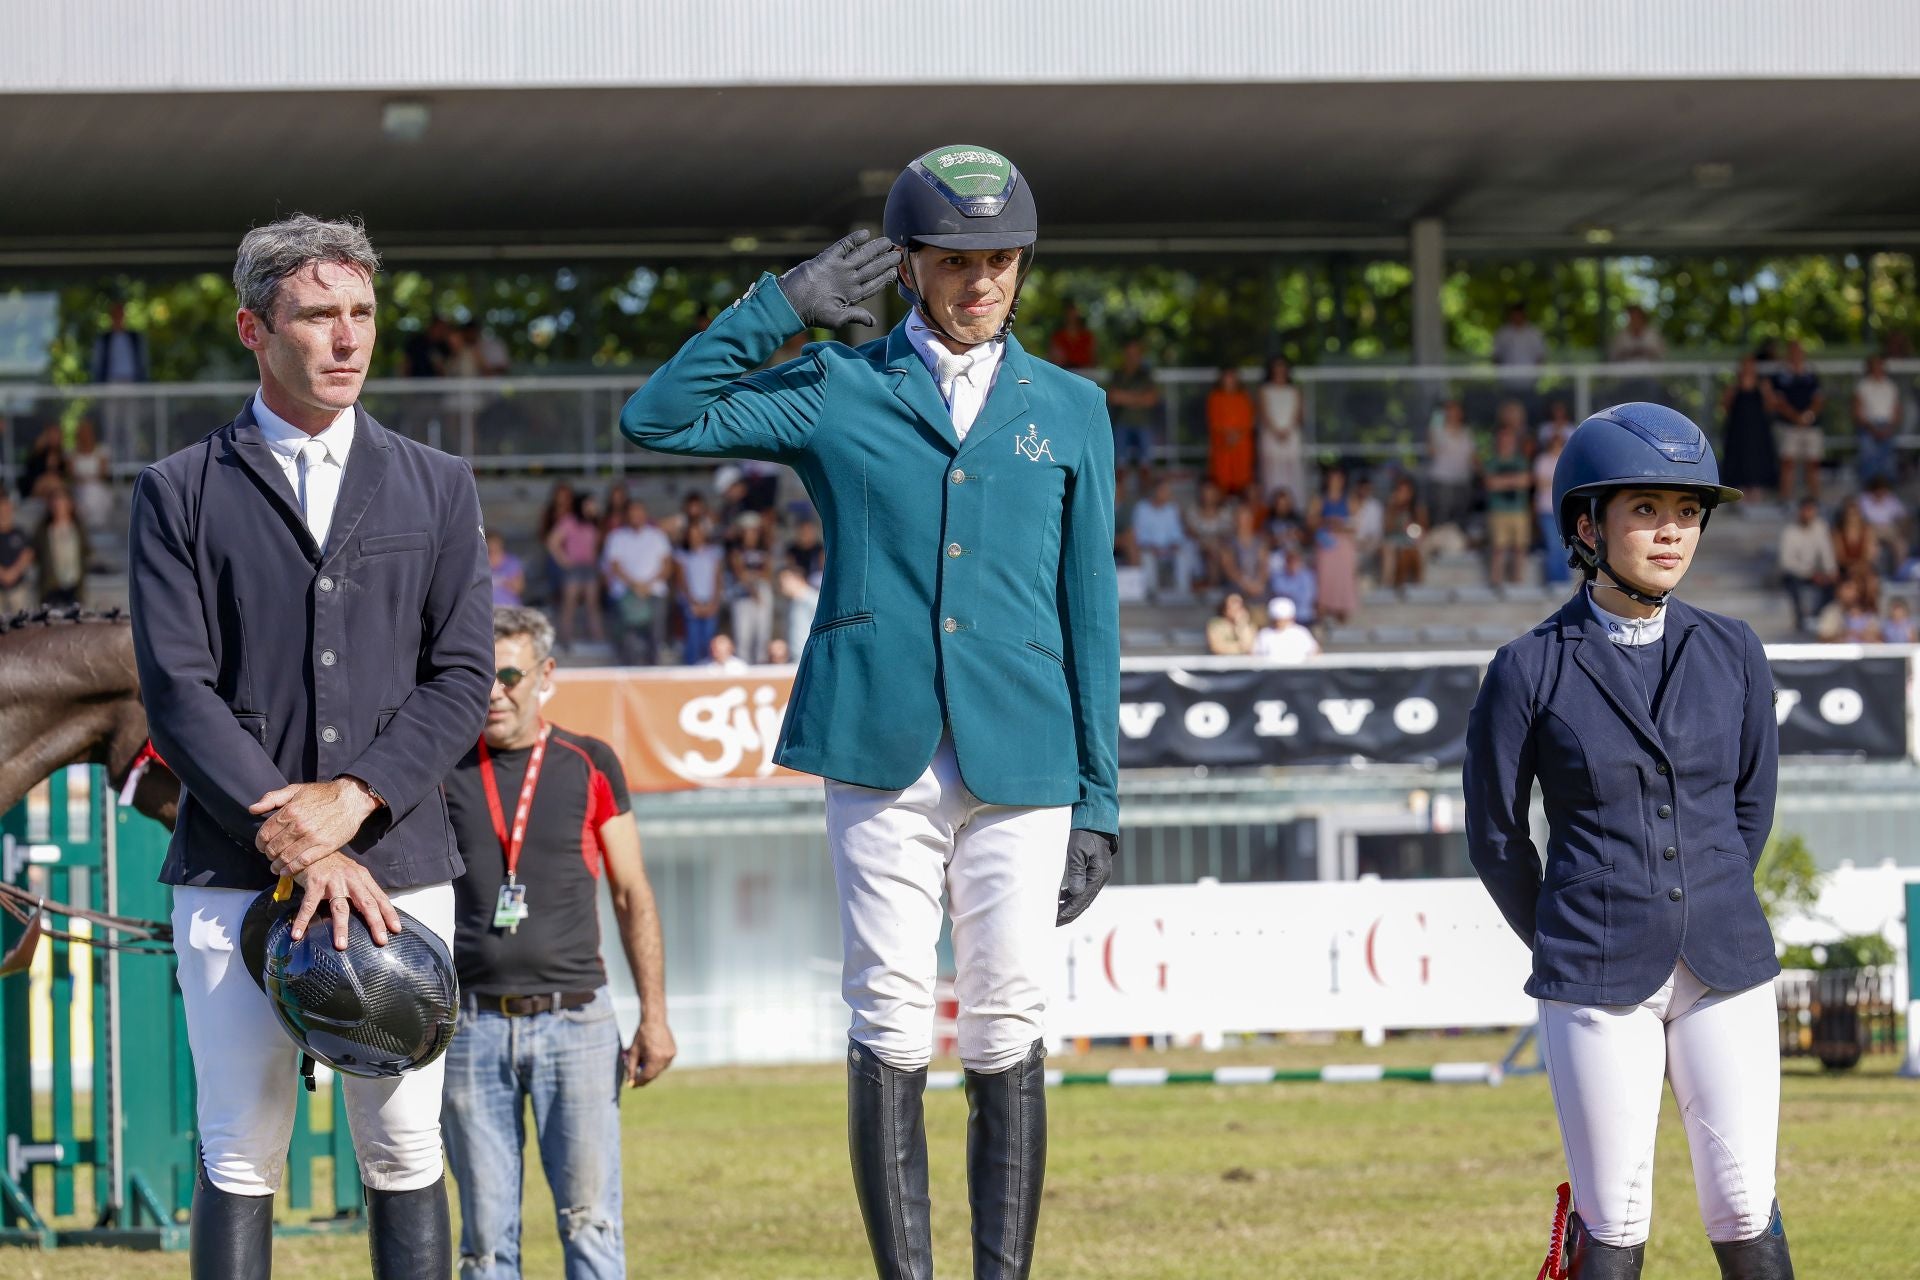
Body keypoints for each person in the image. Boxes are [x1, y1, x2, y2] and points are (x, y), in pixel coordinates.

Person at [618, 143, 1118, 1280]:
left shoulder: (1074, 409)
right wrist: (776, 309)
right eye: (954, 260)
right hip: (878, 741)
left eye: (1000, 259)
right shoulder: (838, 383)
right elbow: (657, 418)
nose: (980, 280)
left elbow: (1091, 613)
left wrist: (1101, 798)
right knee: (890, 1014)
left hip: (1025, 752)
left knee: (1008, 1020)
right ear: (906, 265)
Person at [127, 214, 492, 1279]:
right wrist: (300, 837)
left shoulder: (440, 483)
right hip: (231, 874)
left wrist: (354, 798)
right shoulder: (177, 490)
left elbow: (462, 677)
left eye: (363, 312)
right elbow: (175, 691)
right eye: (318, 314)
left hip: (402, 868)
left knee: (405, 1143)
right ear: (253, 326)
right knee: (240, 1149)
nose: (348, 338)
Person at [1464, 402, 1794, 1279]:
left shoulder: (1734, 651)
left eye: (1687, 513)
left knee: (1743, 1206)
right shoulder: (1527, 667)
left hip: (1726, 962)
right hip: (1594, 974)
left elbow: (1748, 811)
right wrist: (1575, 940)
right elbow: (1497, 837)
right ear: (1587, 523)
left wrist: (1706, 889)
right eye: (1646, 510)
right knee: (1614, 1222)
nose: (1671, 533)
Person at [441, 607, 676, 1280]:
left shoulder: (590, 762)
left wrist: (654, 1018)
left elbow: (633, 895)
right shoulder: (442, 769)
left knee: (592, 1225)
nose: (492, 690)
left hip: (578, 1024)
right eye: (479, 675)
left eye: (508, 674)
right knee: (484, 1242)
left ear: (545, 677)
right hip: (470, 1027)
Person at [601, 499, 674, 665]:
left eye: (639, 512)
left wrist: (647, 585)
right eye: (632, 513)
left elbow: (667, 565)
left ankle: (653, 674)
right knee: (628, 640)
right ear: (627, 515)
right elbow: (614, 565)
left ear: (645, 514)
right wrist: (635, 585)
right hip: (626, 594)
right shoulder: (616, 537)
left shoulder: (657, 536)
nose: (636, 516)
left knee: (655, 637)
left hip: (654, 592)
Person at [89, 301, 150, 454]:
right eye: (115, 314)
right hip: (111, 384)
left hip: (130, 383)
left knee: (131, 425)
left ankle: (130, 464)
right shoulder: (105, 339)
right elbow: (97, 364)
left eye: (120, 314)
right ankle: (111, 464)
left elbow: (142, 362)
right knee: (110, 426)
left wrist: (143, 385)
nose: (118, 318)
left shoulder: (134, 337)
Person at [546, 492, 605, 652]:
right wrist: (564, 561)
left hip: (590, 567)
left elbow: (597, 546)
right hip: (574, 568)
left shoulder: (595, 523)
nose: (593, 507)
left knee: (592, 605)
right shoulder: (569, 521)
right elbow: (552, 541)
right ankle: (565, 640)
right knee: (569, 605)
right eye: (590, 503)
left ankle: (597, 640)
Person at [1768, 341, 1825, 503]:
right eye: (1793, 352)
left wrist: (1808, 415)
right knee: (1787, 463)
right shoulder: (1780, 376)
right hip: (1788, 427)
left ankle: (1815, 500)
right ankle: (1785, 499)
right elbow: (1778, 401)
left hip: (1811, 427)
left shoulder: (1811, 374)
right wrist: (1795, 417)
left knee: (1813, 463)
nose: (1796, 356)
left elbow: (1818, 399)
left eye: (1799, 352)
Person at [1483, 403, 1533, 586]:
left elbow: (1526, 481)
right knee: (1499, 548)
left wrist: (1502, 481)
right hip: (1499, 511)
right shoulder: (1492, 461)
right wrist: (1513, 480)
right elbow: (1490, 483)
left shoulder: (1521, 460)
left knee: (1520, 547)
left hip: (1518, 510)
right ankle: (1495, 582)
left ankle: (1517, 582)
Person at [1720, 354, 1778, 499]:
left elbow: (1771, 408)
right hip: (1738, 433)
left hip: (1758, 433)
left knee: (1758, 461)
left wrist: (1767, 392)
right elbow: (1724, 408)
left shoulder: (1763, 387)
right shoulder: (1733, 388)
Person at [1777, 498, 1838, 633]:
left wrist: (1830, 571)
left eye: (1811, 511)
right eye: (1805, 510)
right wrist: (1810, 573)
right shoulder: (1790, 531)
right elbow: (1786, 562)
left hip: (1814, 574)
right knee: (1793, 584)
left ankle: (1817, 617)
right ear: (1800, 511)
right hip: (1795, 574)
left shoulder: (1821, 527)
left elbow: (1826, 552)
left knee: (1832, 585)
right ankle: (1800, 620)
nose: (1808, 514)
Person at [1133, 474, 1198, 600]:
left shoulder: (1172, 509)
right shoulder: (1142, 508)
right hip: (1150, 549)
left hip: (1169, 550)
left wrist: (1173, 545)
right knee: (1146, 556)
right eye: (1164, 491)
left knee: (1185, 551)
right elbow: (1139, 535)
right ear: (1156, 492)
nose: (1167, 494)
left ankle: (1182, 592)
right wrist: (1152, 547)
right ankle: (1152, 593)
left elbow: (1177, 533)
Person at [1307, 466, 1358, 624]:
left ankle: (1342, 609)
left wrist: (1340, 525)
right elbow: (1310, 522)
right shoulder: (1319, 500)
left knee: (1343, 576)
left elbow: (1354, 525)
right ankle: (1323, 607)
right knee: (1325, 576)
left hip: (1343, 542)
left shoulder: (1349, 500)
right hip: (1326, 542)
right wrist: (1327, 522)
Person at [725, 512, 776, 664]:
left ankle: (761, 665)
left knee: (762, 634)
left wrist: (751, 577)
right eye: (748, 530)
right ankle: (743, 668)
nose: (751, 534)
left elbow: (767, 573)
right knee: (743, 636)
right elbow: (739, 573)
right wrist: (753, 585)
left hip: (761, 592)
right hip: (743, 595)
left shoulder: (764, 549)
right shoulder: (736, 550)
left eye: (754, 530)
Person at [673, 518, 725, 665]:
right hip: (691, 603)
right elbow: (681, 581)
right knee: (693, 642)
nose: (695, 536)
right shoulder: (682, 554)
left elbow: (717, 578)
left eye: (698, 533)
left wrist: (714, 602)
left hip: (709, 601)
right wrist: (692, 602)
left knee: (709, 642)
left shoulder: (714, 552)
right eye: (692, 533)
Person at [1256, 356, 1305, 503]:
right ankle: (1273, 506)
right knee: (1272, 473)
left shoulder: (1294, 390)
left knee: (1292, 472)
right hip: (1271, 436)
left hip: (1291, 436)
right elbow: (1263, 413)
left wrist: (1287, 430)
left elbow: (1299, 414)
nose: (1279, 370)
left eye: (1282, 366)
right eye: (1276, 367)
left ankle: (1294, 505)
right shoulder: (1264, 390)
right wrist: (1276, 431)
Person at [1107, 338, 1160, 468]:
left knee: (1146, 464)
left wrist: (1126, 398)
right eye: (1129, 354)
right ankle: (1119, 487)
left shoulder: (1145, 375)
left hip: (1143, 423)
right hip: (1121, 423)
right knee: (1118, 463)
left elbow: (1151, 399)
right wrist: (1139, 398)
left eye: (1135, 354)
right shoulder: (1118, 374)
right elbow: (1113, 397)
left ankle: (1146, 486)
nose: (1132, 358)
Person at [1426, 399, 1477, 533]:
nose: (1453, 414)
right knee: (1442, 516)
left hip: (1462, 480)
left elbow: (1472, 456)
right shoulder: (1438, 430)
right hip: (1443, 480)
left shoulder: (1467, 432)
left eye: (1456, 410)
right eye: (1450, 410)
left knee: (1460, 516)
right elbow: (1431, 451)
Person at [33, 486, 88, 606]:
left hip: (74, 587)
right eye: (55, 502)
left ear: (70, 504)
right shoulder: (43, 530)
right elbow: (35, 554)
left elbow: (86, 552)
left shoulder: (78, 528)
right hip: (50, 588)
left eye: (62, 501)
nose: (58, 506)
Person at [1205, 366, 1256, 496]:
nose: (1229, 380)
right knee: (1222, 474)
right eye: (1226, 377)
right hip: (1222, 442)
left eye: (1232, 377)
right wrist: (1227, 433)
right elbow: (1213, 420)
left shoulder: (1244, 397)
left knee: (1241, 474)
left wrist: (1237, 434)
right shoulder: (1215, 398)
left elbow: (1248, 420)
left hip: (1241, 443)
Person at [1852, 353, 1901, 486]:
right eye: (1874, 365)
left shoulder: (1891, 386)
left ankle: (1887, 492)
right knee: (1869, 460)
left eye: (1880, 365)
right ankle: (1868, 492)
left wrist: (1889, 428)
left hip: (1887, 427)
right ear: (1869, 368)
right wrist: (1872, 428)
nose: (1878, 368)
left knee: (1888, 461)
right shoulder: (1862, 386)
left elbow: (1896, 410)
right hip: (1868, 427)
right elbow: (1858, 412)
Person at [1534, 422, 1572, 587]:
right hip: (1546, 509)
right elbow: (1540, 482)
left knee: (1566, 548)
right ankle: (1555, 582)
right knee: (1553, 546)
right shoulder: (1542, 459)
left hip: (1564, 509)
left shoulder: (1568, 460)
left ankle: (1564, 582)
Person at [1380, 473, 1428, 588]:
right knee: (1392, 551)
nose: (1404, 495)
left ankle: (1418, 584)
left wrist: (1413, 528)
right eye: (1401, 491)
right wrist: (1393, 507)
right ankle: (1387, 584)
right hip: (1394, 540)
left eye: (1407, 492)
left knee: (1412, 552)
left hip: (1412, 541)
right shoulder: (1391, 507)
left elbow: (1424, 528)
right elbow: (1386, 528)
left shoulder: (1418, 508)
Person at [68, 418, 114, 530]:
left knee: (92, 492)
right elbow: (71, 475)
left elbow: (104, 474)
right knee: (85, 493)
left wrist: (90, 479)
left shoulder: (101, 451)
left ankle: (96, 523)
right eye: (82, 432)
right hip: (79, 488)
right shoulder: (72, 453)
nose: (85, 435)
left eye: (87, 432)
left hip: (98, 488)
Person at [1253, 595, 1319, 662]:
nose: (1280, 622)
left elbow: (1314, 652)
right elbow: (1255, 655)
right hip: (1270, 671)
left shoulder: (1301, 632)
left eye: (1283, 619)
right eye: (1277, 620)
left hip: (1298, 670)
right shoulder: (1264, 634)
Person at [1266, 541, 1317, 626]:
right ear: (1286, 562)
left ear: (1300, 561)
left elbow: (1306, 597)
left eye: (1295, 560)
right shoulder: (1278, 576)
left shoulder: (1307, 576)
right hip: (1282, 618)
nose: (1293, 564)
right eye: (1290, 561)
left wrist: (1290, 595)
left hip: (1304, 617)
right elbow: (1279, 594)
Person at [0, 495, 35, 614]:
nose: (3, 514)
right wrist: (3, 574)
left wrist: (13, 573)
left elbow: (27, 554)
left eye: (6, 509)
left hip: (18, 589)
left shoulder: (20, 533)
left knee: (20, 623)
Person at [1046, 300, 1096, 370]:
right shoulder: (1058, 336)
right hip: (1064, 370)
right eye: (1069, 313)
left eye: (1074, 314)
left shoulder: (1087, 336)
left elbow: (1092, 357)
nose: (1072, 317)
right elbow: (1053, 357)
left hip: (1084, 371)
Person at [1205, 591, 1257, 656]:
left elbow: (1248, 646)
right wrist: (1239, 648)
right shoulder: (1215, 624)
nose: (1235, 607)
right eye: (1233, 604)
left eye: (1239, 606)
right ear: (1225, 608)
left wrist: (1241, 625)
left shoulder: (1248, 625)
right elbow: (1216, 648)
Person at [487, 530, 525, 607]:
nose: (493, 555)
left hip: (510, 609)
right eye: (489, 551)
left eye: (496, 550)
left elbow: (519, 588)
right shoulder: (481, 565)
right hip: (490, 609)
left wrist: (507, 582)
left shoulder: (511, 562)